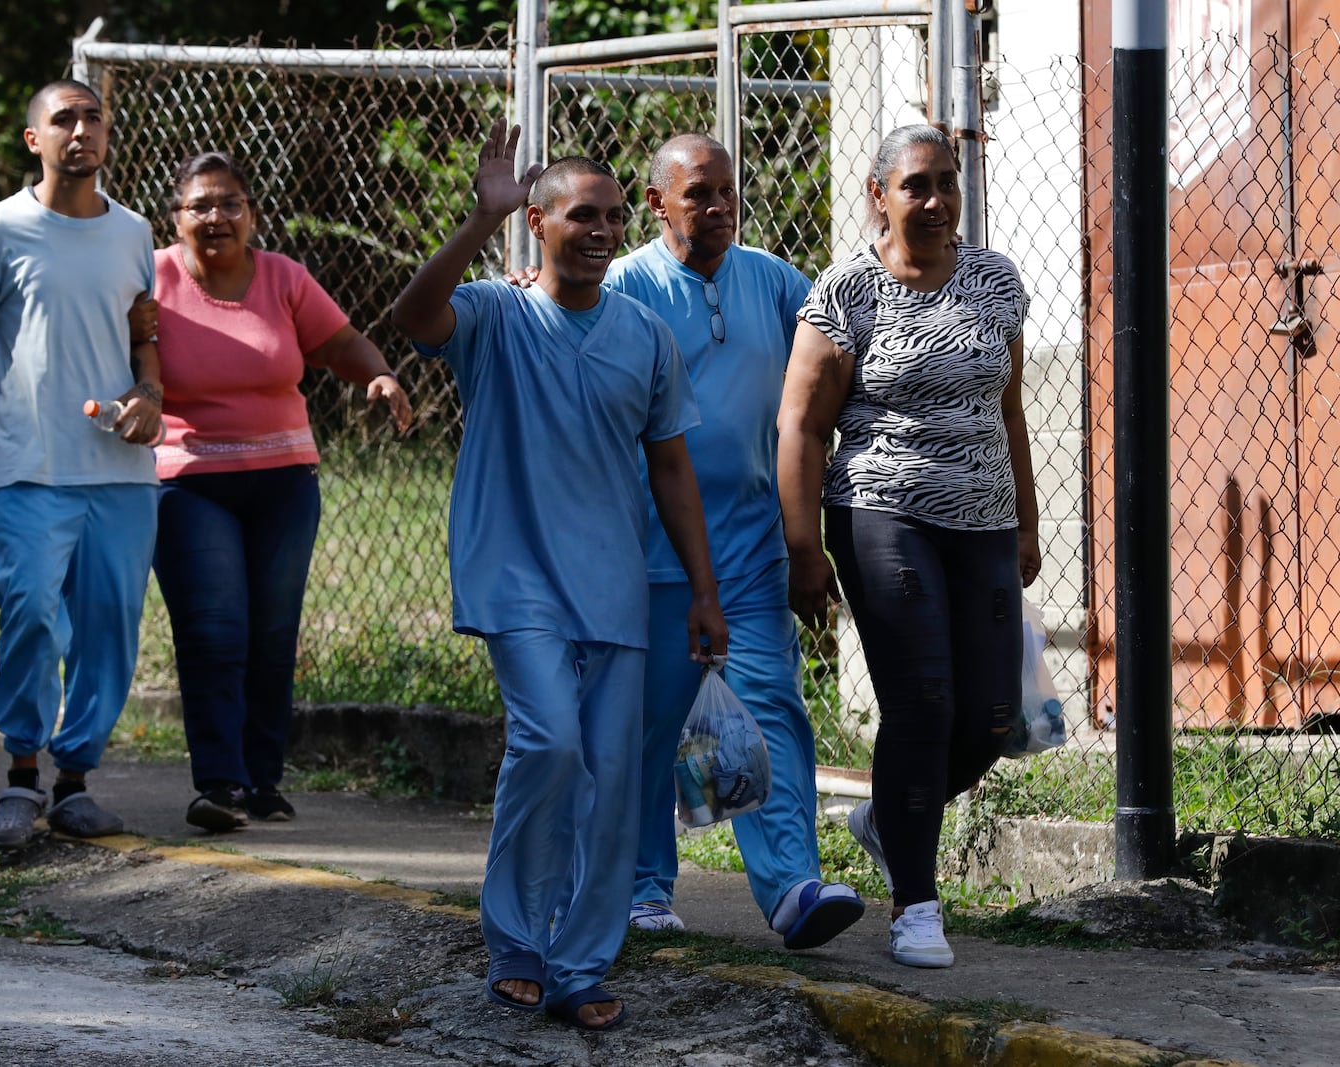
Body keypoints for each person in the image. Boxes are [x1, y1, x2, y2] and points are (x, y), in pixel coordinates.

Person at [390, 120, 727, 1032]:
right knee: (551, 745)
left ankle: (580, 960)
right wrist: (476, 220)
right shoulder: (498, 316)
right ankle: (515, 941)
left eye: (615, 216)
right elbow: (413, 319)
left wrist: (702, 588)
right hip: (514, 578)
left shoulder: (645, 336)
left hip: (615, 586)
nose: (604, 230)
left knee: (615, 774)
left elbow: (671, 470)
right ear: (537, 224)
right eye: (583, 215)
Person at [776, 124, 1039, 969]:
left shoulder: (995, 281)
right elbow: (802, 424)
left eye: (947, 184)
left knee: (993, 716)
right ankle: (916, 905)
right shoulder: (846, 291)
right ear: (878, 194)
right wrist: (804, 546)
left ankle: (887, 818)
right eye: (917, 185)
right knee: (922, 702)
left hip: (985, 522)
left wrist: (1028, 521)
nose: (935, 201)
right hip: (882, 511)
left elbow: (1010, 410)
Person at [604, 134, 865, 950]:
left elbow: (829, 370)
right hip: (651, 553)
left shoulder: (776, 281)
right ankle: (645, 884)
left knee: (768, 709)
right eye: (699, 196)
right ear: (657, 204)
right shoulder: (625, 287)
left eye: (728, 193)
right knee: (654, 722)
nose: (719, 209)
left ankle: (792, 886)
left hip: (751, 547)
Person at [128, 152, 412, 833]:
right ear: (175, 218)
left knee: (272, 632)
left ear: (253, 214)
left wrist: (378, 375)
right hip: (190, 481)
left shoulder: (283, 277)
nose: (217, 217)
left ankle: (263, 779)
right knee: (215, 627)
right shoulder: (151, 278)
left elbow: (339, 342)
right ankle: (219, 782)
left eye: (231, 203)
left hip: (285, 481)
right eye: (200, 205)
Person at [0, 79, 162, 849]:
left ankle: (75, 781)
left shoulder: (134, 233)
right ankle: (19, 779)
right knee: (28, 615)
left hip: (120, 473)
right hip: (27, 463)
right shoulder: (0, 229)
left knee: (109, 628)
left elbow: (144, 336)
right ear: (35, 140)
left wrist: (149, 393)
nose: (80, 131)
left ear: (108, 134)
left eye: (92, 118)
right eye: (63, 120)